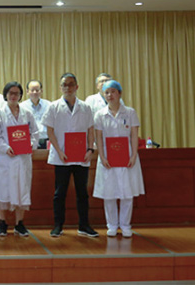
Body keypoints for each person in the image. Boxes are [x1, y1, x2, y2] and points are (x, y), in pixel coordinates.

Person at [43, 73, 99, 238]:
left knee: (82, 193)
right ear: (60, 87)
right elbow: (50, 131)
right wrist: (59, 151)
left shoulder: (86, 107)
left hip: (82, 156)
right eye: (64, 84)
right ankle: (58, 225)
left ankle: (84, 225)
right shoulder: (53, 107)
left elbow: (90, 129)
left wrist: (90, 149)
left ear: (77, 87)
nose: (68, 87)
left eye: (71, 84)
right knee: (59, 193)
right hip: (62, 156)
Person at [92, 80, 145, 238]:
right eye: (107, 92)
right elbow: (98, 138)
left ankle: (126, 225)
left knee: (127, 193)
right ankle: (112, 225)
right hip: (107, 158)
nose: (110, 95)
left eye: (113, 92)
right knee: (109, 193)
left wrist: (133, 155)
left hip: (127, 157)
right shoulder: (99, 114)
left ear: (119, 93)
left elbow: (134, 135)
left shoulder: (130, 112)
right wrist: (102, 156)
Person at [0, 81, 38, 237]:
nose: (14, 96)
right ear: (6, 94)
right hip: (4, 158)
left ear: (21, 95)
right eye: (11, 93)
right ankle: (2, 223)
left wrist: (30, 144)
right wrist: (5, 148)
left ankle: (19, 224)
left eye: (17, 93)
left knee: (21, 189)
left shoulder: (27, 113)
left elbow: (35, 133)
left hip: (22, 158)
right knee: (1, 190)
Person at [20, 79, 51, 149]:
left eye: (37, 90)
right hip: (29, 140)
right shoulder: (22, 107)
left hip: (46, 139)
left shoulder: (49, 105)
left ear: (41, 91)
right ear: (27, 91)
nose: (35, 92)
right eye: (32, 90)